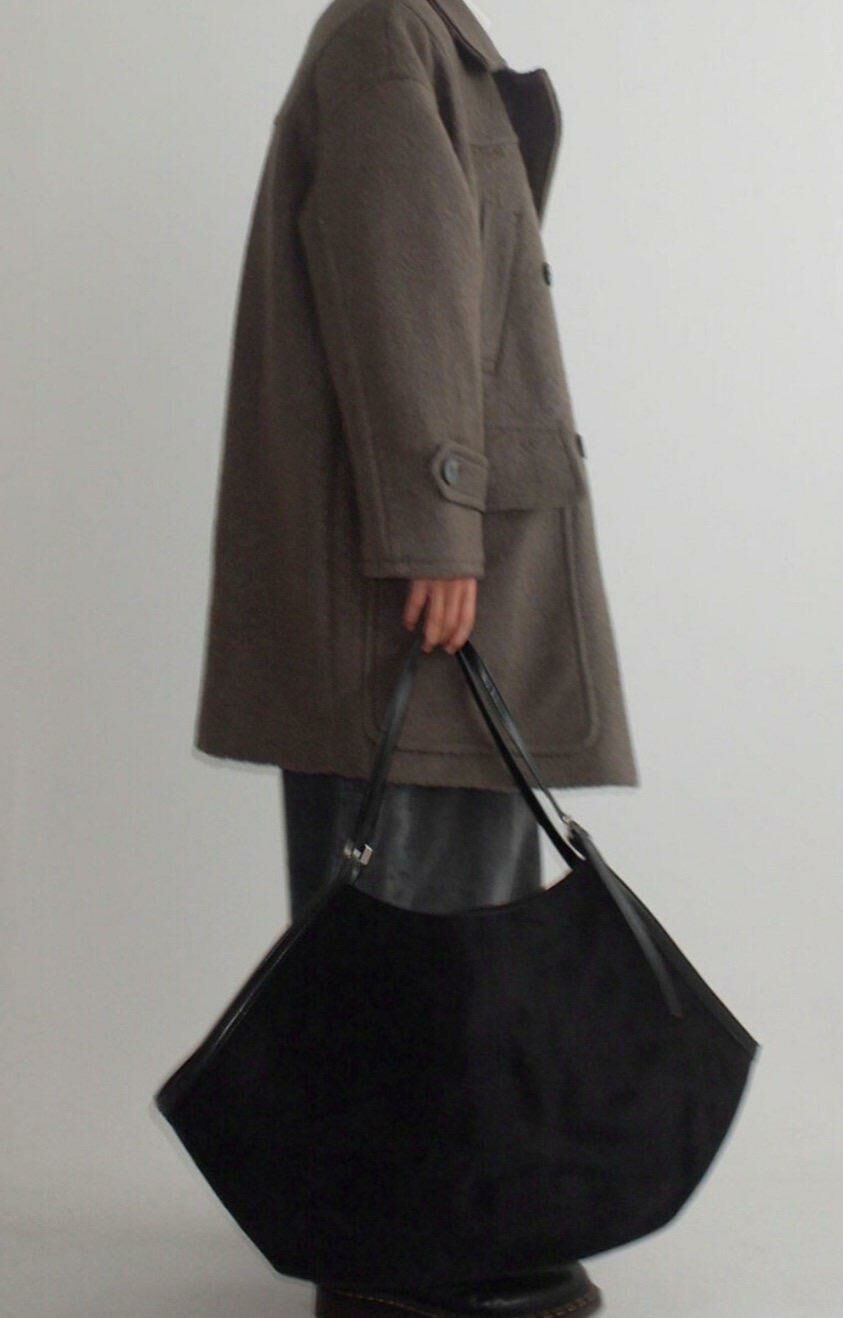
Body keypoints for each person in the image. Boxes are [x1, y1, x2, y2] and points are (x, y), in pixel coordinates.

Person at [193, 1, 639, 1313]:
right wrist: (437, 517)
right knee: (418, 916)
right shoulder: (388, 32)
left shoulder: (420, 35)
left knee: (444, 910)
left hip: (433, 554)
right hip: (418, 572)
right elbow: (405, 279)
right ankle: (403, 1255)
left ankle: (431, 1218)